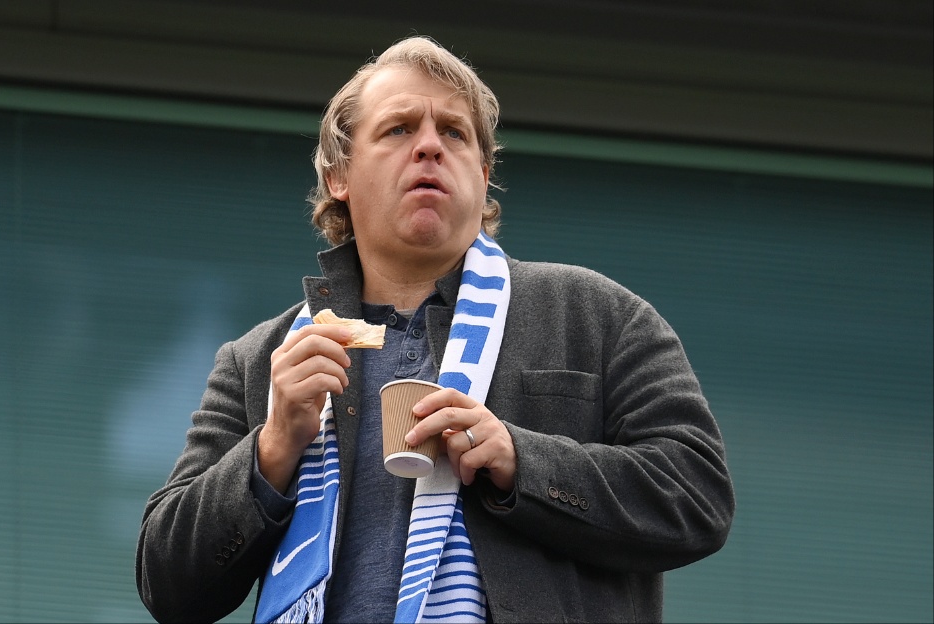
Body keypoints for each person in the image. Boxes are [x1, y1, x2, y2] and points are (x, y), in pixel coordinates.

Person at [136, 35, 734, 624]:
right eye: (398, 129)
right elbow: (167, 583)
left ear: (482, 170)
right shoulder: (262, 361)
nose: (429, 146)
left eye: (454, 132)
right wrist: (272, 449)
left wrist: (521, 460)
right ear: (339, 174)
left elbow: (698, 496)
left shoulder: (598, 316)